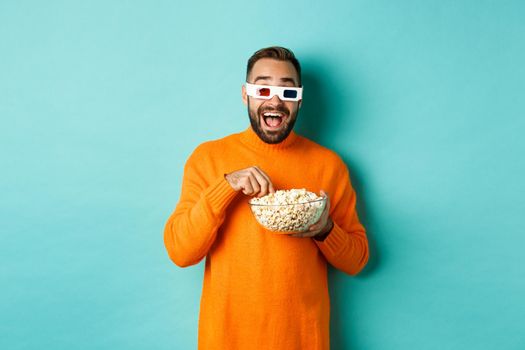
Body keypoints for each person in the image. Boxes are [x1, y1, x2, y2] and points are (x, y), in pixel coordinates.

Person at [164, 46, 369, 350]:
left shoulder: (329, 166)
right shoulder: (207, 158)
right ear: (246, 94)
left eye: (287, 92)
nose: (274, 101)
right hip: (226, 340)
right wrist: (226, 187)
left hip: (303, 340)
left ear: (299, 99)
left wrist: (325, 229)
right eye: (263, 88)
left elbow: (357, 260)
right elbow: (180, 252)